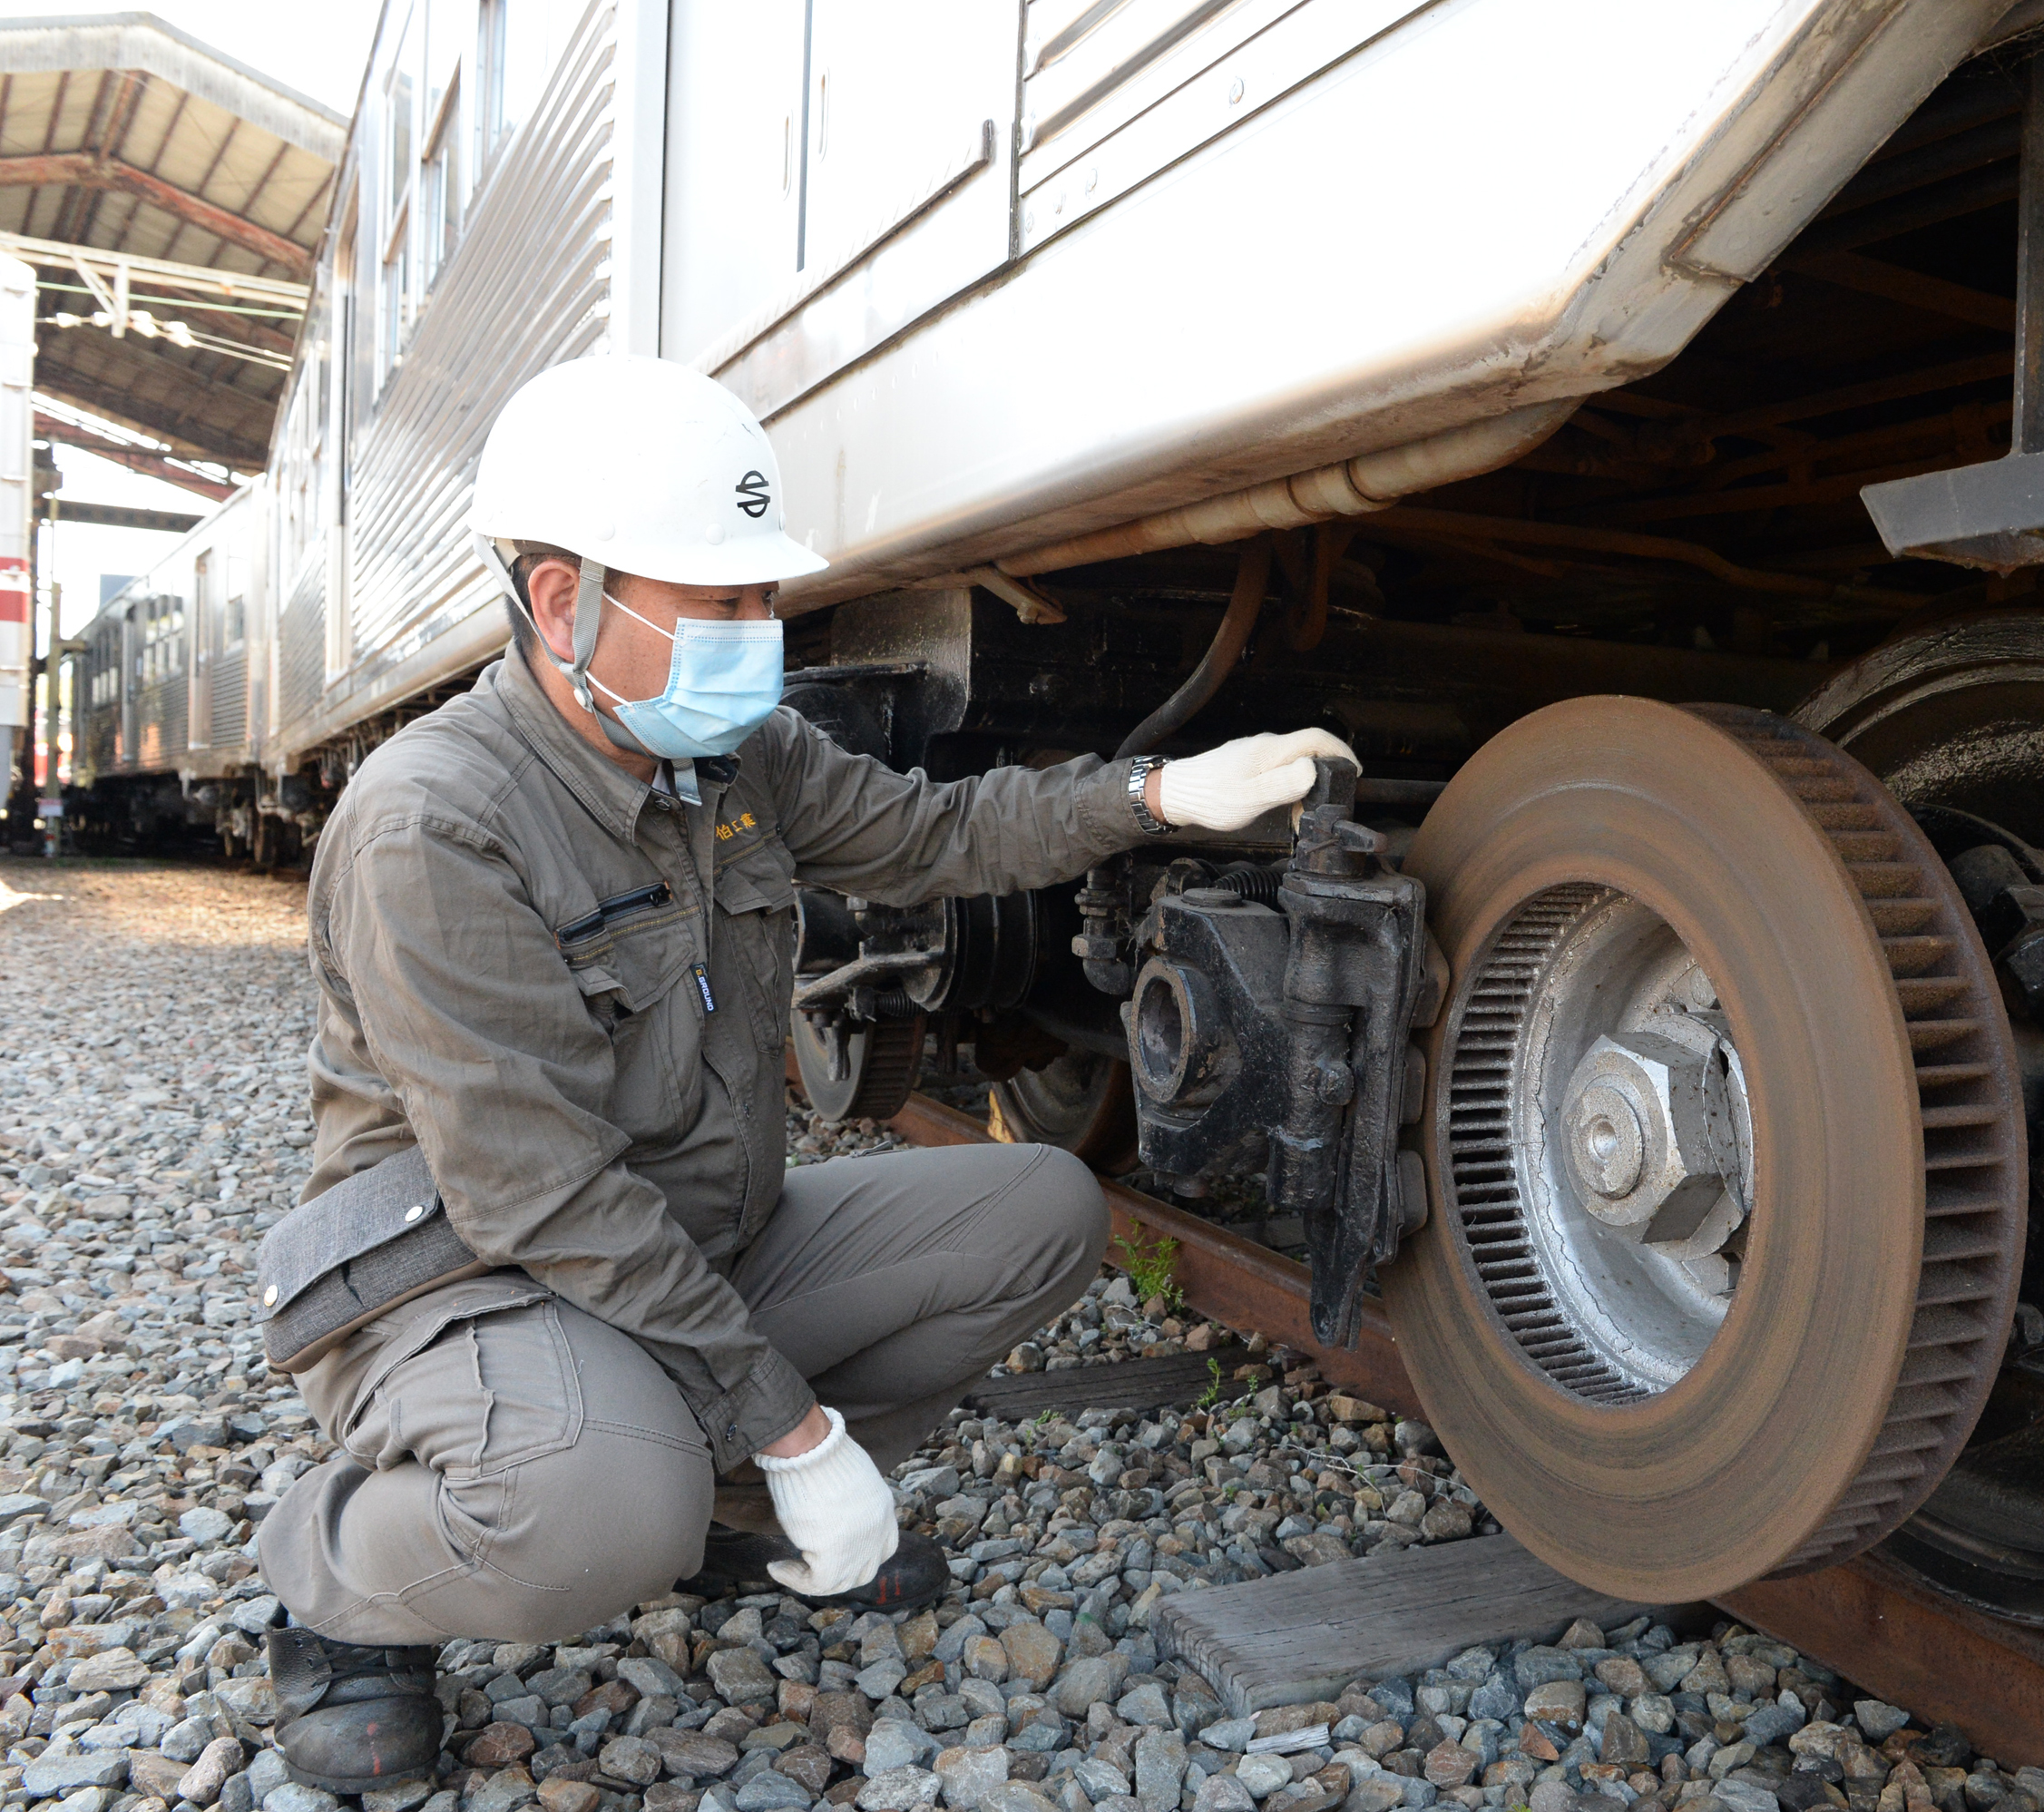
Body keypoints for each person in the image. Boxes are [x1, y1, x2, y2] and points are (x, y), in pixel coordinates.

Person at [255, 355, 1353, 1791]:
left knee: (1039, 1215)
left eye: (760, 600)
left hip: (693, 1242)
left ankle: (710, 1504)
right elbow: (545, 1196)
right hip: (473, 1280)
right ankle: (336, 1583)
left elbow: (938, 835)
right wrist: (796, 1421)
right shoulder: (435, 822)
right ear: (562, 603)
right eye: (715, 604)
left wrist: (1151, 794)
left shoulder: (731, 759)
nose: (755, 637)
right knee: (594, 1509)